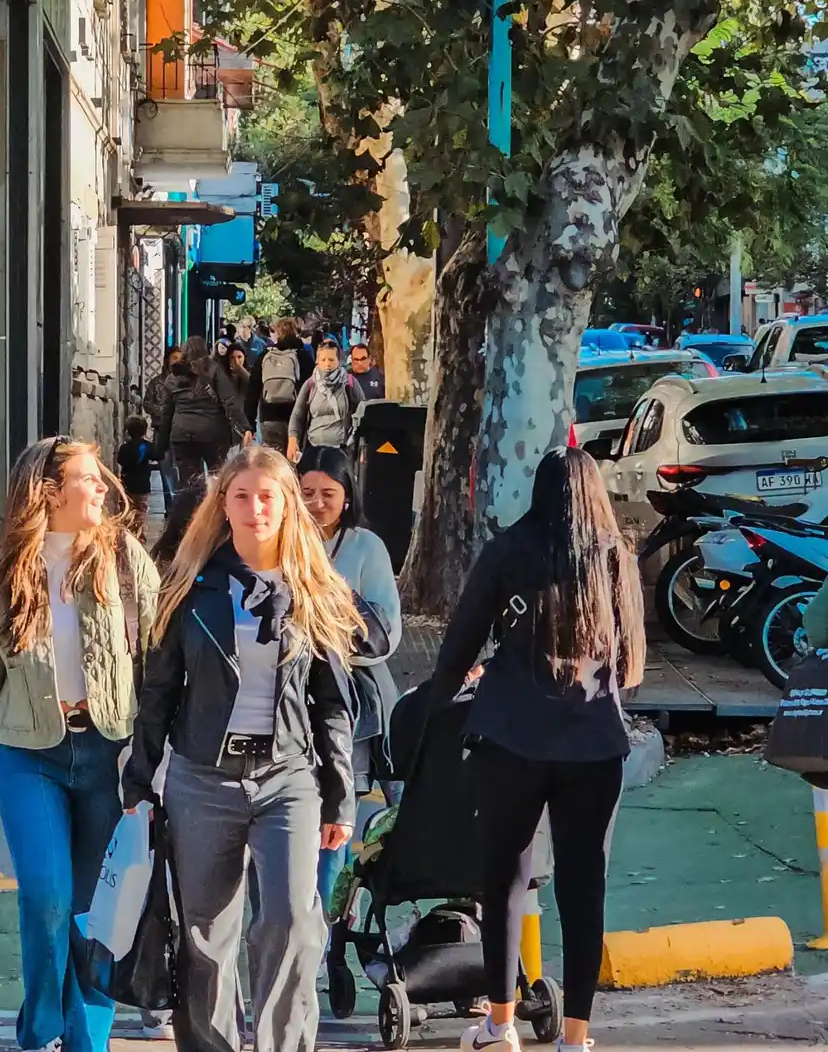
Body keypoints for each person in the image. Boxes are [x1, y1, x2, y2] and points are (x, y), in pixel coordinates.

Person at [124, 446, 375, 1052]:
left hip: (287, 778)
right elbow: (157, 693)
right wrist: (137, 782)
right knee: (206, 935)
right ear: (224, 505)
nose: (256, 508)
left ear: (287, 505)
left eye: (268, 497)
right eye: (242, 496)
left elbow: (334, 703)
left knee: (291, 922)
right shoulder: (189, 586)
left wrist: (340, 797)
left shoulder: (315, 589)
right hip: (201, 778)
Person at [421, 447, 645, 1052]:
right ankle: (576, 1035)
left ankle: (500, 1024)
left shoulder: (507, 551)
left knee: (504, 881)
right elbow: (628, 665)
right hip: (594, 744)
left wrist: (438, 707)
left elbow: (460, 641)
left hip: (510, 738)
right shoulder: (613, 559)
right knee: (583, 885)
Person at [0, 437, 160, 1052]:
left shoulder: (125, 560)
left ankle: (87, 1039)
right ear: (48, 490)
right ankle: (40, 1024)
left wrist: (159, 756)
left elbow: (157, 663)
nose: (103, 489)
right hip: (29, 754)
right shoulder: (2, 570)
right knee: (46, 896)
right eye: (88, 479)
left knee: (94, 914)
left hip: (110, 753)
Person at [297, 445, 404, 914]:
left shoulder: (366, 546)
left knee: (335, 822)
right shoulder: (278, 540)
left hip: (352, 702)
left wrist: (324, 617)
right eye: (307, 492)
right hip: (287, 700)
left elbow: (385, 634)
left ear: (347, 495)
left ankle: (328, 928)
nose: (317, 503)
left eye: (328, 493)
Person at [158, 335, 250, 489]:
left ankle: (190, 511)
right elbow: (229, 401)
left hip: (182, 434)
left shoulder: (173, 377)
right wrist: (245, 426)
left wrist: (162, 443)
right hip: (212, 433)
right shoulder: (214, 370)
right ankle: (215, 510)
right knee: (217, 477)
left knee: (189, 483)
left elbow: (166, 412)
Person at [244, 318, 316, 452]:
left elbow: (252, 390)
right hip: (296, 418)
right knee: (295, 460)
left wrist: (249, 424)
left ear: (277, 333)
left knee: (274, 462)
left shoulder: (265, 356)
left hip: (270, 417)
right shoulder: (303, 356)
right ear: (296, 332)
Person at [287, 339, 364, 461]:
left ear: (339, 361)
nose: (327, 364)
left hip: (342, 451)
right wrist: (292, 440)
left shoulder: (349, 383)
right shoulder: (310, 384)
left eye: (331, 360)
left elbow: (362, 415)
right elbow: (297, 415)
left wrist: (362, 448)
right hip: (313, 449)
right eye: (323, 360)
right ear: (317, 361)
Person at [143, 346, 183, 512]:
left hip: (180, 431)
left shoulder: (186, 382)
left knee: (180, 469)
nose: (177, 361)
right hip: (161, 431)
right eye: (174, 357)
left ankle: (182, 505)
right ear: (167, 359)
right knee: (165, 468)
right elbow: (147, 403)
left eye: (180, 358)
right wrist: (161, 412)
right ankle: (170, 505)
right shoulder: (156, 383)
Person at [115, 414, 158, 526]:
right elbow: (158, 455)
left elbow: (120, 460)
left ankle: (127, 527)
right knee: (141, 507)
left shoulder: (125, 447)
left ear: (128, 431)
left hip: (127, 482)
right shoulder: (147, 446)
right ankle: (139, 528)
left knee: (126, 506)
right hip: (143, 484)